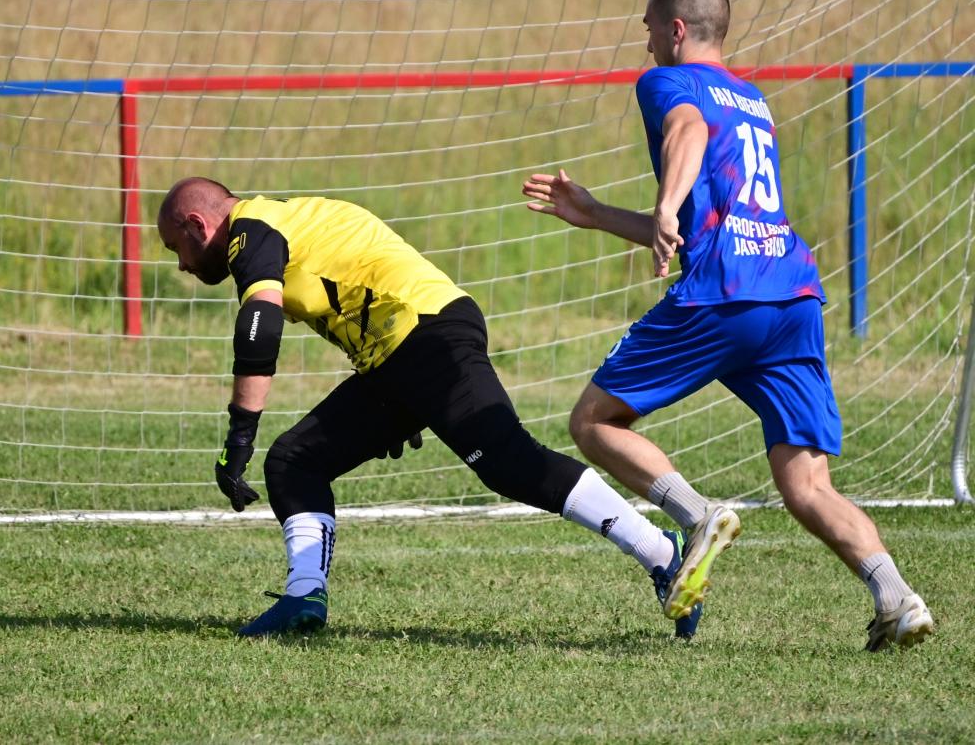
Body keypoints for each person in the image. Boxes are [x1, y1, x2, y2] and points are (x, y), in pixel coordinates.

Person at [522, 0, 933, 651]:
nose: (645, 40)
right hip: (792, 293)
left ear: (677, 29)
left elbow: (685, 132)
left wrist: (663, 204)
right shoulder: (752, 99)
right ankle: (897, 596)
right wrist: (598, 214)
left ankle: (695, 514)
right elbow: (704, 220)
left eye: (650, 26)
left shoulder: (666, 83)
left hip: (726, 292)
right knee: (807, 483)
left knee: (593, 421)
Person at [159, 177, 704, 638]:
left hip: (426, 335)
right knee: (295, 460)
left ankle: (661, 550)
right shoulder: (284, 219)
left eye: (175, 247)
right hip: (400, 355)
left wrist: (240, 435)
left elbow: (260, 329)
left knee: (508, 461)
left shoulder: (252, 229)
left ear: (197, 225)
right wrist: (404, 400)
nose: (181, 265)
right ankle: (304, 597)